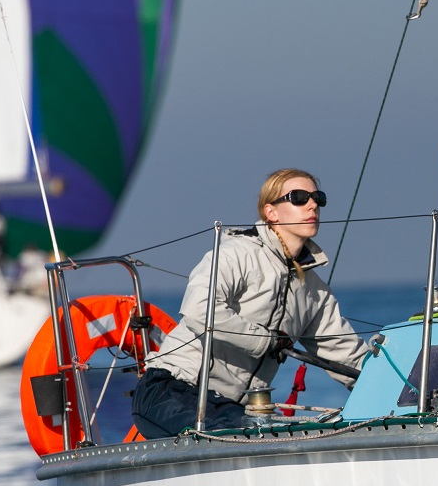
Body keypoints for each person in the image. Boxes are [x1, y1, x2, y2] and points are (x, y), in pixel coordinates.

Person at [132, 168, 369, 438]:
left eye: (318, 197)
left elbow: (347, 356)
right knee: (241, 434)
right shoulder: (237, 254)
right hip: (171, 388)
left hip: (228, 406)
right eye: (299, 197)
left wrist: (409, 389)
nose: (312, 204)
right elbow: (200, 309)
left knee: (276, 433)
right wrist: (265, 340)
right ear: (271, 212)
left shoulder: (314, 291)